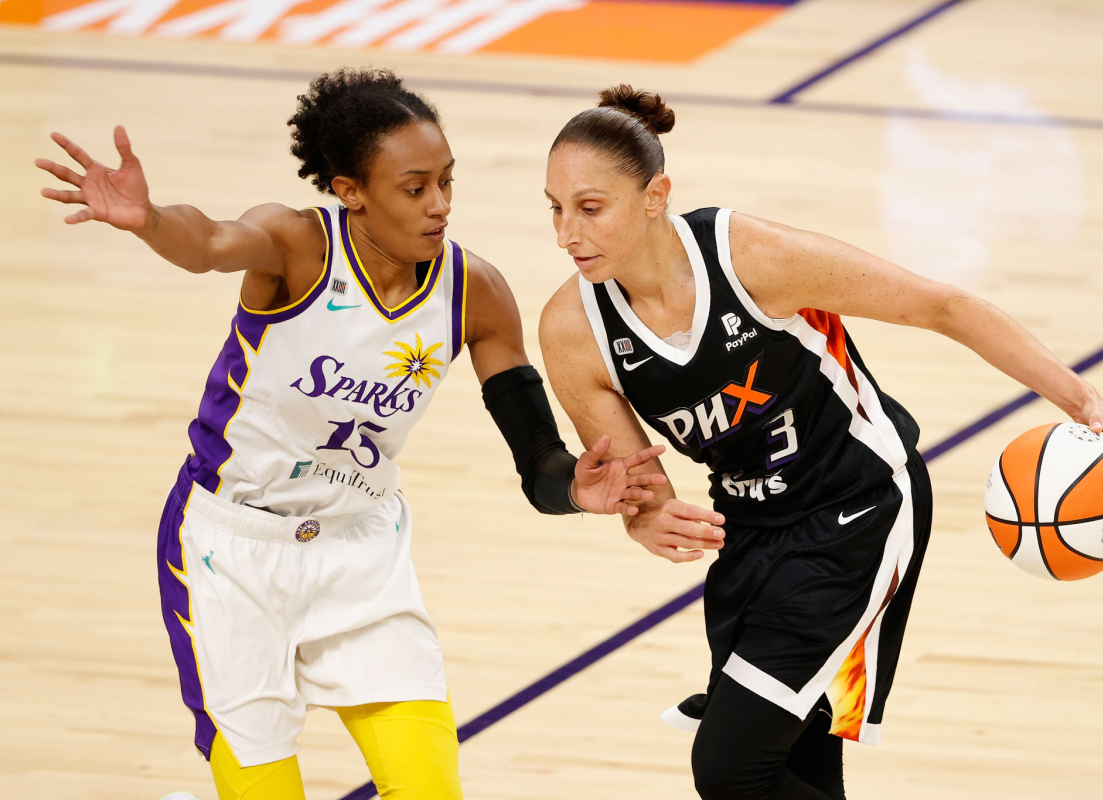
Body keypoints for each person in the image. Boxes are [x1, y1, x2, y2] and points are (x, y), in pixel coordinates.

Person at [35, 69, 668, 800]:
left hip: (360, 551)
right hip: (230, 554)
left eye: (447, 182)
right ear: (349, 190)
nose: (440, 205)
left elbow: (539, 462)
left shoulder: (476, 291)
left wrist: (574, 490)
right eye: (415, 187)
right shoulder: (295, 246)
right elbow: (208, 240)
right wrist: (148, 220)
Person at [538, 85, 1103, 800]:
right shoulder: (573, 332)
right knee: (794, 763)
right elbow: (644, 494)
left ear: (654, 195)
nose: (566, 234)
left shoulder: (748, 258)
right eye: (553, 208)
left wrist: (1081, 398)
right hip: (750, 532)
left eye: (589, 208)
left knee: (730, 769)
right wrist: (647, 520)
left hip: (858, 507)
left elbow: (940, 305)